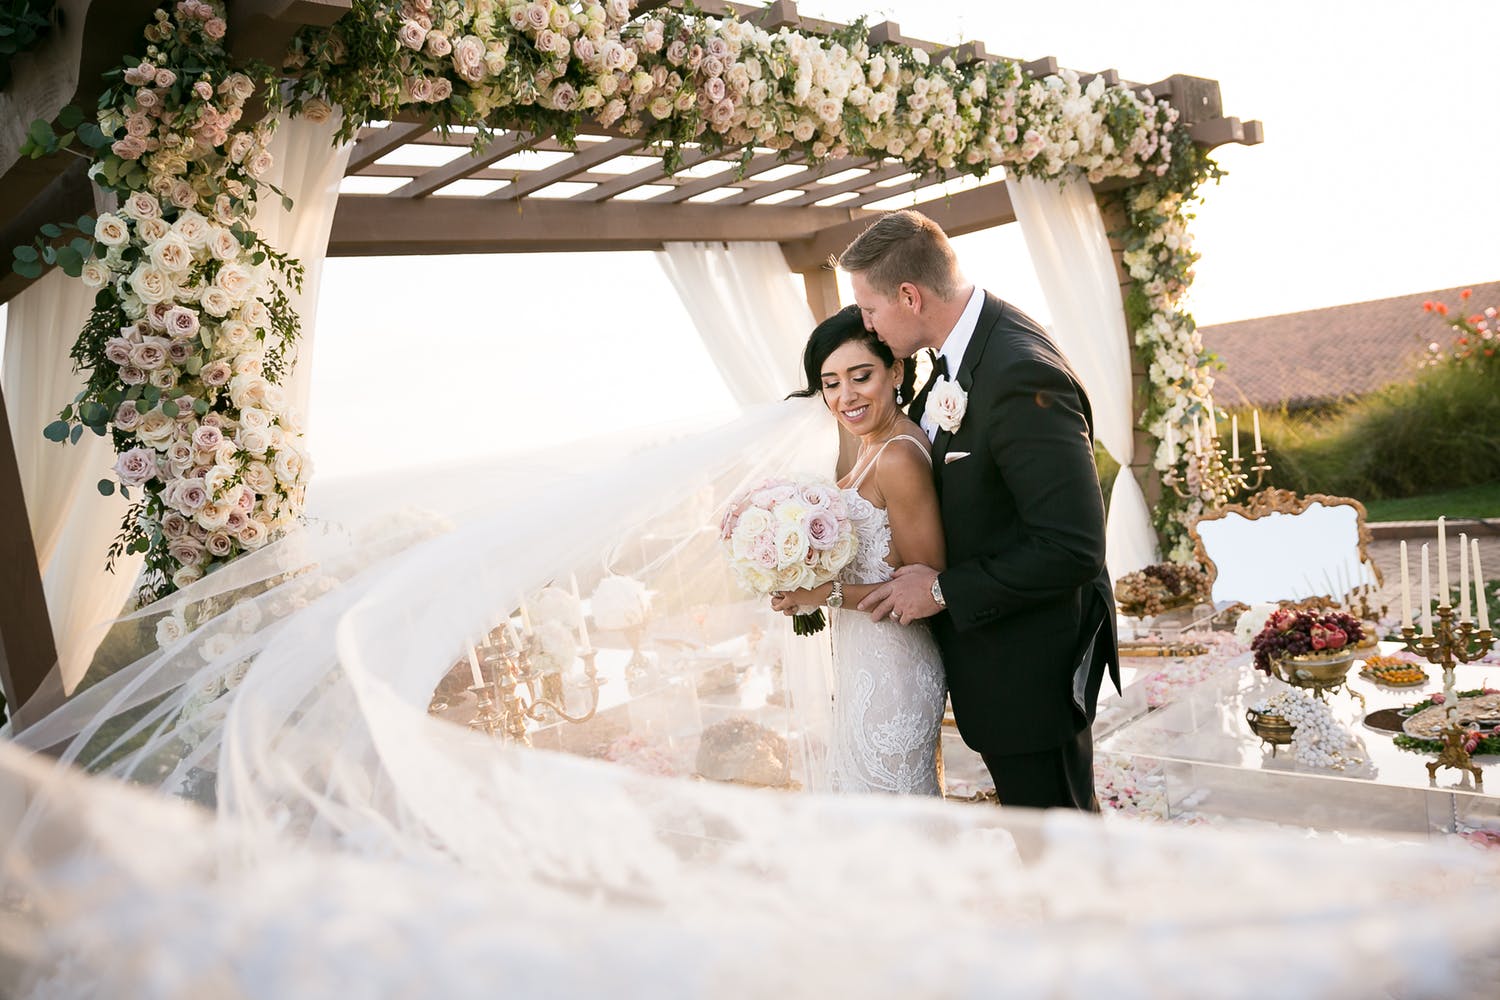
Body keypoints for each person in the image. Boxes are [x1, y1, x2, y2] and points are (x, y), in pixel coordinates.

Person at [842, 209, 1120, 812]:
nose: (866, 324)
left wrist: (942, 591)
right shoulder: (962, 351)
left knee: (1060, 841)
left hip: (1031, 665)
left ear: (909, 296)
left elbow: (1071, 546)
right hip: (1003, 657)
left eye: (869, 309)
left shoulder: (1016, 371)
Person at [770, 306, 947, 795]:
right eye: (830, 383)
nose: (845, 396)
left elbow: (925, 585)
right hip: (860, 655)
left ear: (896, 371)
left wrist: (820, 594)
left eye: (860, 376)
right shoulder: (865, 444)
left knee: (889, 816)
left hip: (895, 665)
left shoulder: (899, 458)